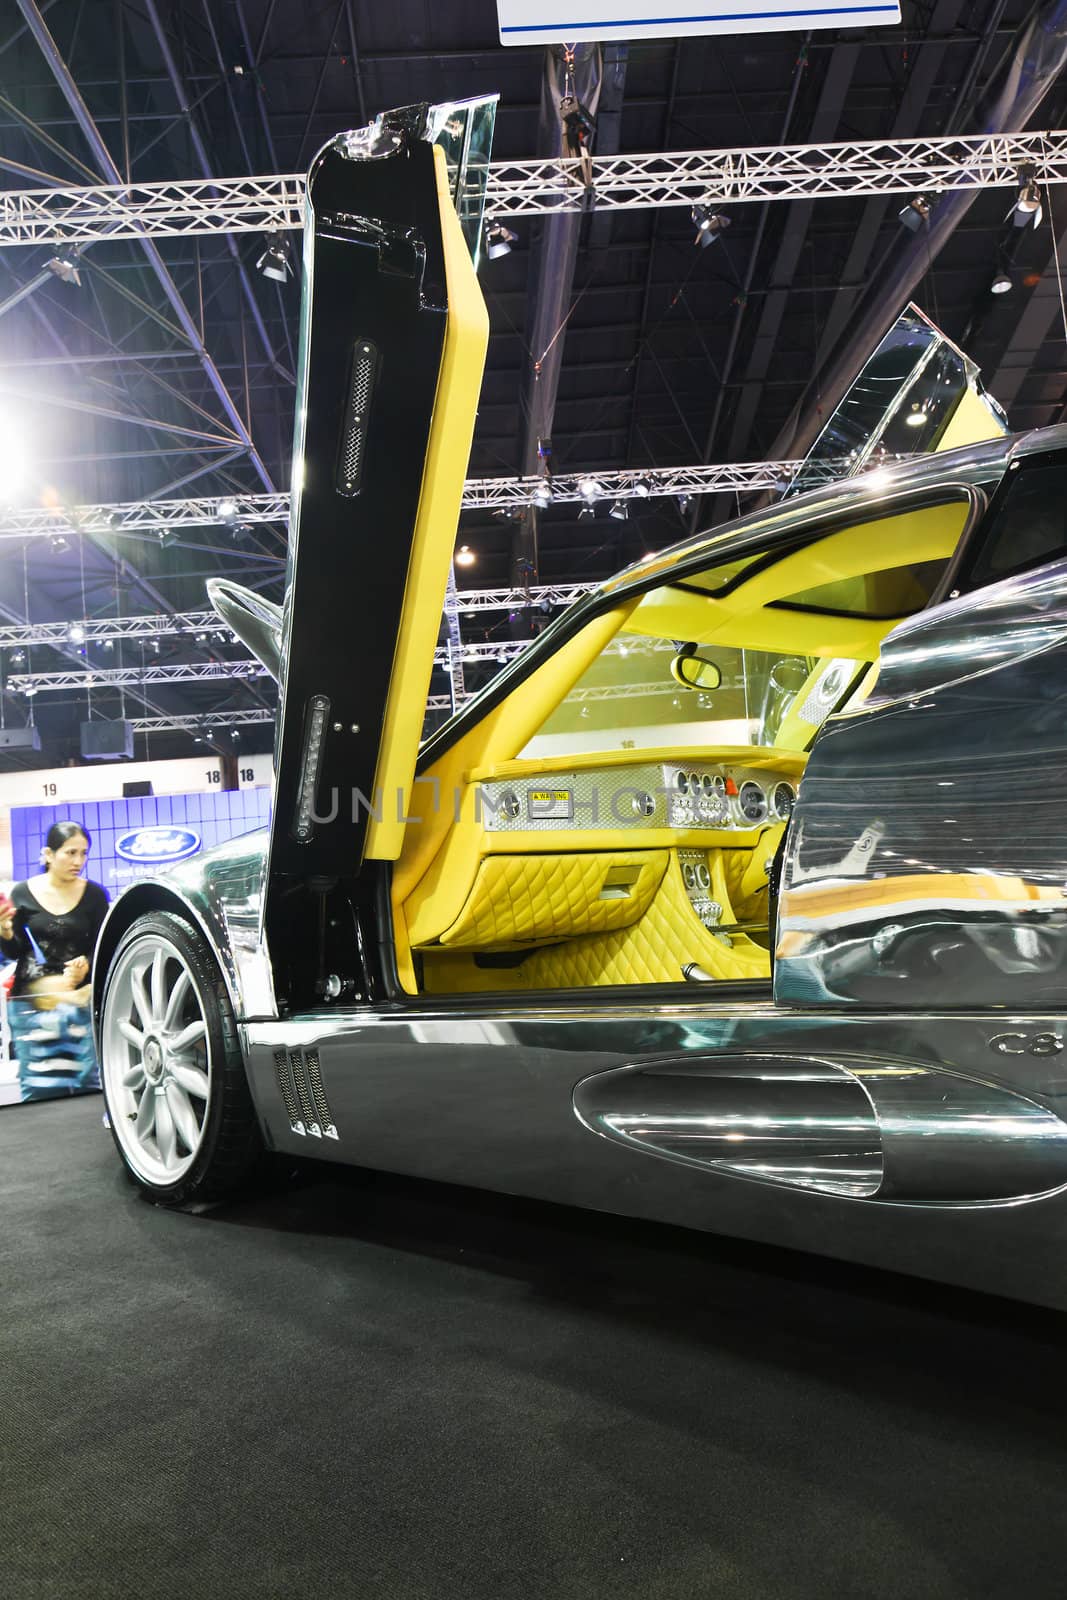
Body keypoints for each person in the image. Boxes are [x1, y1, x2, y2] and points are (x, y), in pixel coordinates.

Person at [0, 822, 110, 1101]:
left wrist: (85, 964)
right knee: (37, 1089)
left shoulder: (95, 896)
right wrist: (4, 932)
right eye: (70, 852)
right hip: (31, 1005)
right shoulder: (21, 893)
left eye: (84, 854)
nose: (78, 861)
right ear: (49, 854)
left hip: (81, 1003)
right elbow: (14, 952)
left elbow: (105, 946)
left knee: (90, 1084)